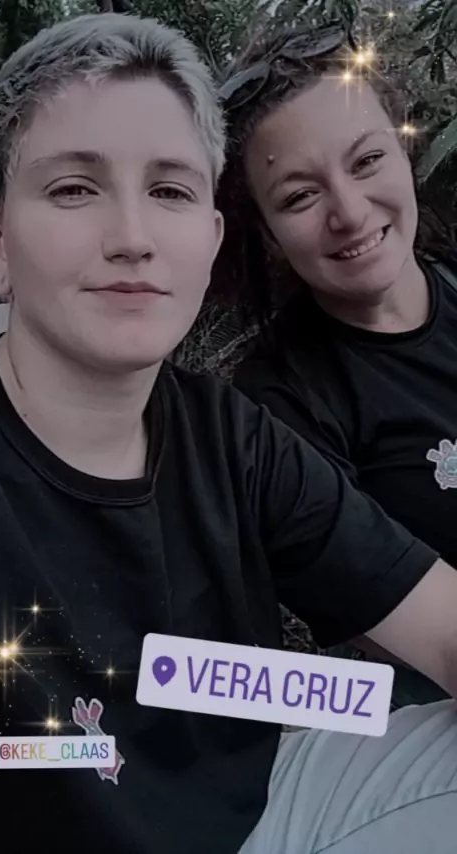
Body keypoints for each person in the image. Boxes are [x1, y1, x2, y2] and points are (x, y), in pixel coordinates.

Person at [0, 13, 457, 854]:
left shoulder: (234, 439)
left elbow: (438, 624)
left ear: (210, 237)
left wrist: (212, 694)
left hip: (265, 806)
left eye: (169, 191)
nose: (131, 239)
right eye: (75, 189)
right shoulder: (293, 389)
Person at [211, 20, 457, 707]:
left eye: (367, 160)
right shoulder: (279, 405)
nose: (348, 212)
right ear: (264, 231)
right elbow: (394, 637)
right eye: (299, 196)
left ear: (405, 149)